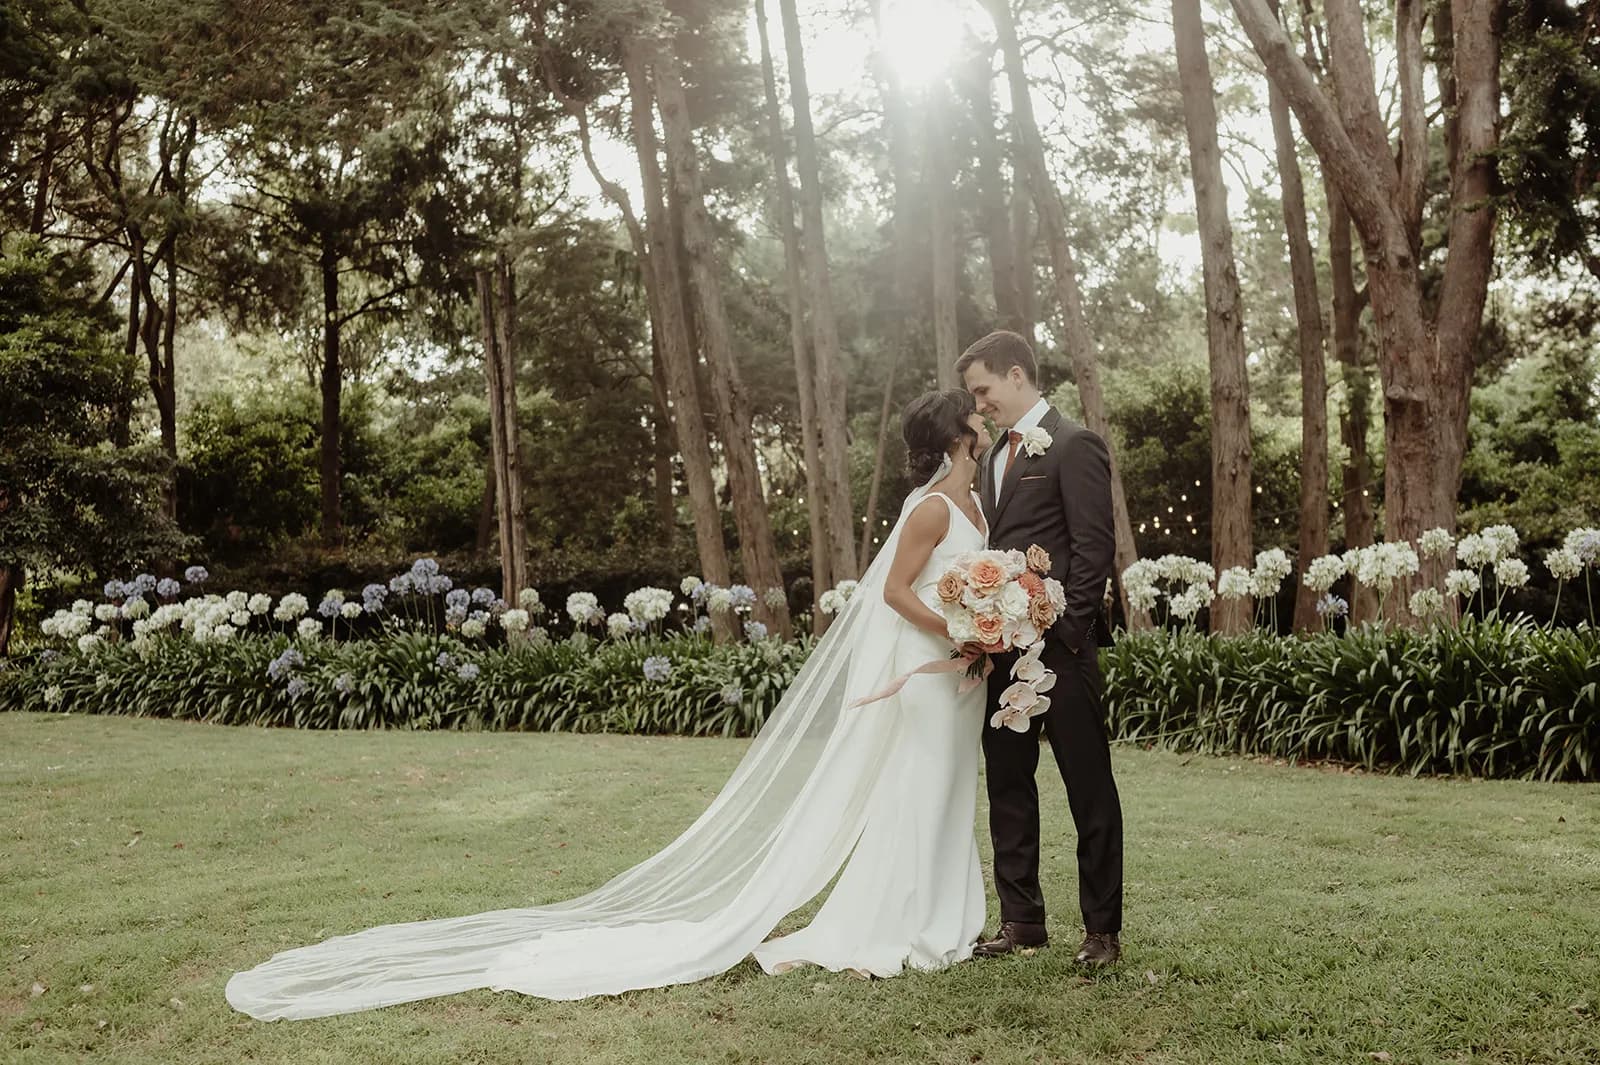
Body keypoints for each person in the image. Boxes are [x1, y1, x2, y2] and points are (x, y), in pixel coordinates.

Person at [225, 390, 996, 1020]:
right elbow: (893, 594)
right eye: (979, 416)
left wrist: (988, 629)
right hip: (927, 670)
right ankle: (898, 926)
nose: (987, 422)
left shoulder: (976, 509)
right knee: (919, 790)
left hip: (961, 672)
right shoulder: (930, 507)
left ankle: (943, 921)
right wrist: (959, 629)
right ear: (959, 432)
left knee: (951, 791)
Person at [958, 329, 1125, 968]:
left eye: (984, 389)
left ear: (1017, 376)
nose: (980, 405)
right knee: (1008, 783)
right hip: (1003, 653)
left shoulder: (1074, 445)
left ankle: (1101, 931)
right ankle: (1022, 920)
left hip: (1063, 651)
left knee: (1089, 787)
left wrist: (1067, 632)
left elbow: (1093, 549)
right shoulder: (996, 458)